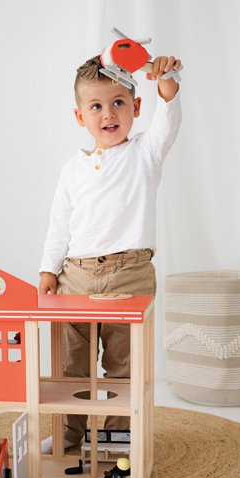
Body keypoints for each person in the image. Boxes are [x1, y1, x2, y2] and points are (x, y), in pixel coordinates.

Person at [39, 52, 183, 452]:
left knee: (124, 362)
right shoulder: (72, 169)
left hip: (130, 273)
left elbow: (169, 119)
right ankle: (70, 433)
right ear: (79, 116)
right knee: (71, 363)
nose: (108, 114)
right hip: (76, 275)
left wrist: (166, 81)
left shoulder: (145, 152)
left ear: (136, 107)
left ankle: (119, 436)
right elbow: (59, 224)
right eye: (96, 106)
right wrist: (48, 270)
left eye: (118, 102)